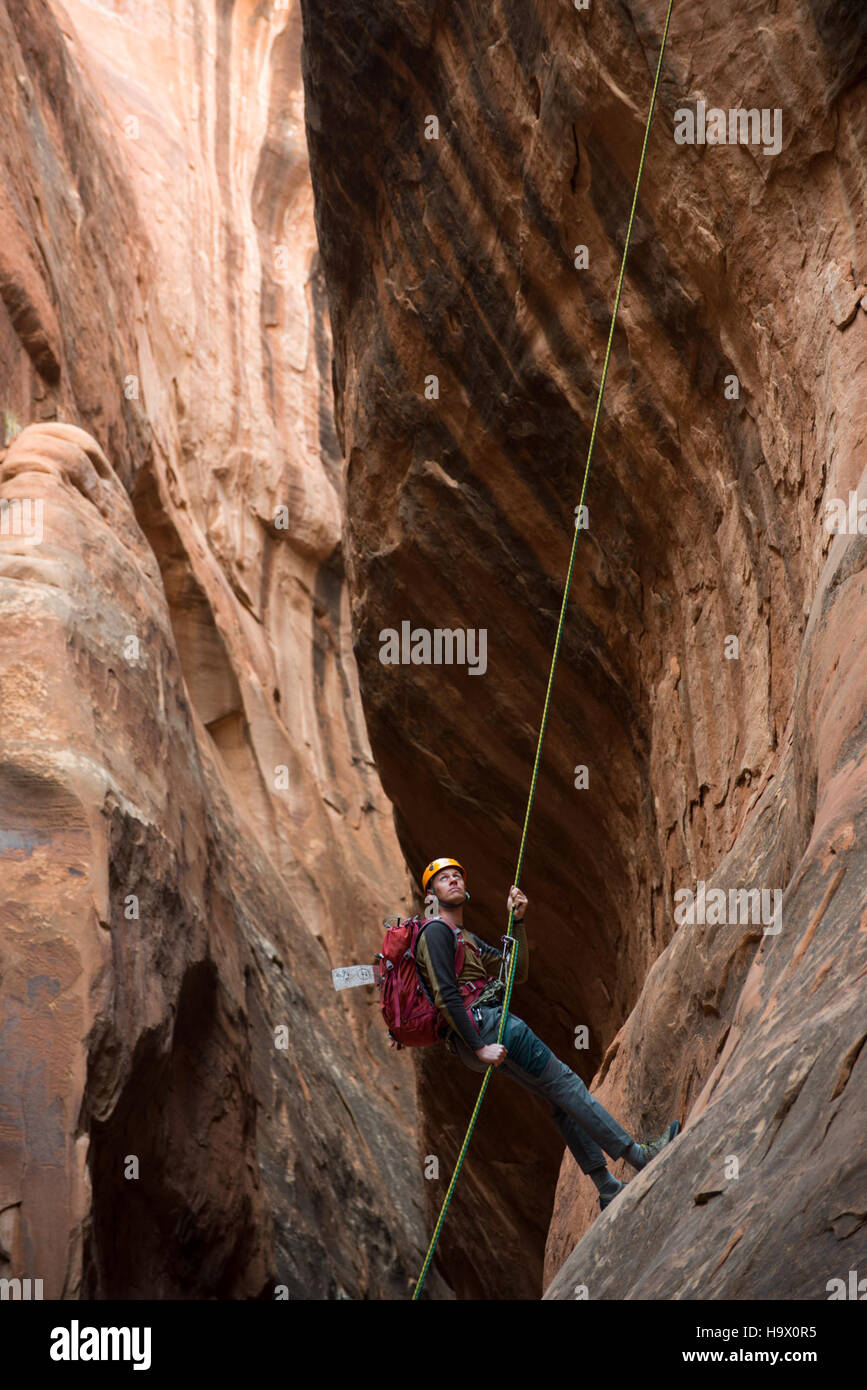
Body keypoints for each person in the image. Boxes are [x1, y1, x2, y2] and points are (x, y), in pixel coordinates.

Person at [414, 856, 680, 1212]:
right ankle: (640, 1155)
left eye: (457, 875)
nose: (453, 881)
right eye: (443, 879)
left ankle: (607, 1187)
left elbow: (515, 974)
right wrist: (478, 1047)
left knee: (559, 1101)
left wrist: (518, 921)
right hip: (490, 1027)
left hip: (488, 1027)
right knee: (567, 1084)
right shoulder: (435, 931)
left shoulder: (465, 938)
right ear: (430, 894)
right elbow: (446, 995)